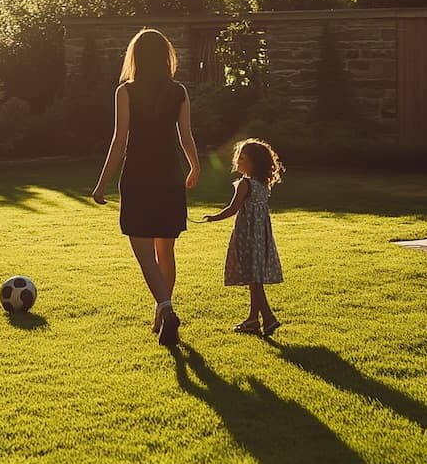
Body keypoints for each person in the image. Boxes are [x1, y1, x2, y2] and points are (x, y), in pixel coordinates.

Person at [91, 28, 200, 345]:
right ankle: (162, 312)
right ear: (166, 58)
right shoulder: (178, 91)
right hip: (169, 176)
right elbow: (186, 136)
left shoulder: (125, 92)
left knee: (144, 252)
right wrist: (195, 166)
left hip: (139, 178)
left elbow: (119, 141)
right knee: (165, 250)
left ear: (135, 57)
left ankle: (166, 311)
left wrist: (101, 185)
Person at [201, 137, 285, 335]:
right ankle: (252, 320)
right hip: (260, 237)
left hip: (247, 236)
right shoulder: (263, 185)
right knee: (254, 277)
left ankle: (268, 316)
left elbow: (233, 208)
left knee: (253, 279)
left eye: (243, 157)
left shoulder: (245, 183)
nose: (238, 161)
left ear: (253, 161)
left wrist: (214, 218)